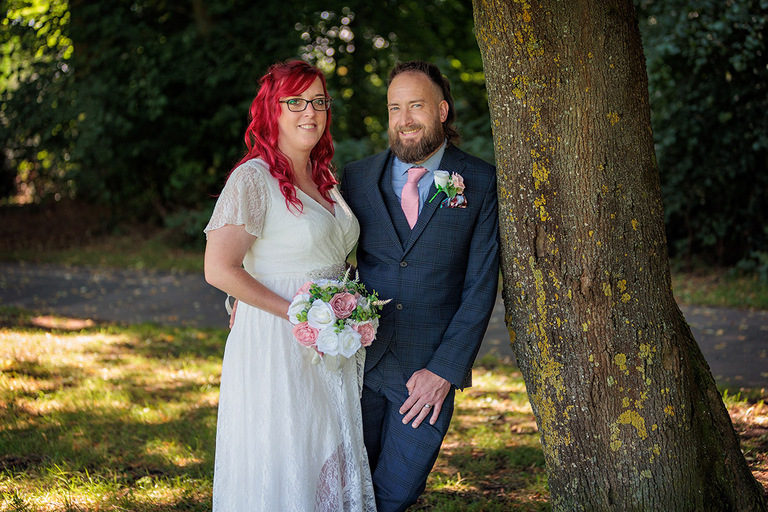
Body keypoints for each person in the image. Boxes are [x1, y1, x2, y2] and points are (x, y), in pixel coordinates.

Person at [203, 60, 376, 511]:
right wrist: (300, 315)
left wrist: (347, 309)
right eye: (295, 101)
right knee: (289, 450)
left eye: (319, 101)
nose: (310, 112)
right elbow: (219, 268)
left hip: (333, 338)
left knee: (326, 448)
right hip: (278, 339)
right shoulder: (253, 178)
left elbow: (327, 255)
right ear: (272, 110)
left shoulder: (325, 178)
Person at [341, 60, 500, 512]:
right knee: (348, 485)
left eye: (416, 106)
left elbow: (480, 286)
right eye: (395, 108)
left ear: (442, 111)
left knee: (397, 492)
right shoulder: (357, 178)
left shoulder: (481, 181)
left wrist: (444, 372)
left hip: (426, 374)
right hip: (358, 362)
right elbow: (324, 254)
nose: (404, 119)